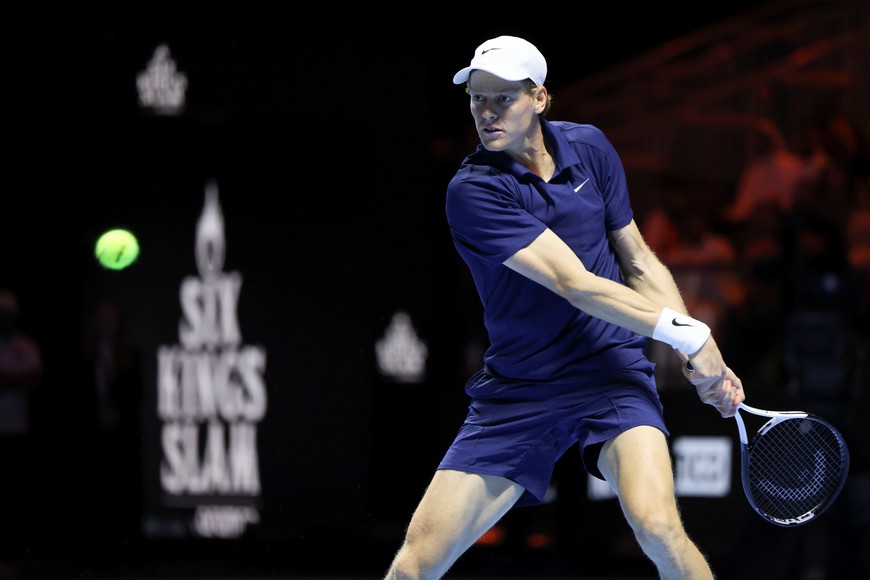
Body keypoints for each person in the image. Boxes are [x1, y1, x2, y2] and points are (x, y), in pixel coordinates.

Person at [384, 36, 745, 579]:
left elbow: (640, 261)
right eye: (477, 98)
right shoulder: (473, 190)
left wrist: (695, 355)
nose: (486, 112)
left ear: (540, 99)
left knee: (660, 528)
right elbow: (573, 283)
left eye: (502, 98)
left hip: (611, 374)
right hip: (522, 389)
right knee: (416, 565)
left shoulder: (591, 148)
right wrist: (690, 336)